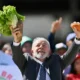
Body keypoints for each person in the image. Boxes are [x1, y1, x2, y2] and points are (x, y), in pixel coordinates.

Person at [11, 20, 80, 80]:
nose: (41, 47)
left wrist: (78, 38)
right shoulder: (26, 61)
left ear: (49, 51)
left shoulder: (56, 61)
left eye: (44, 45)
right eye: (38, 45)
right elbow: (17, 56)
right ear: (32, 51)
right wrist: (17, 41)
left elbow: (70, 55)